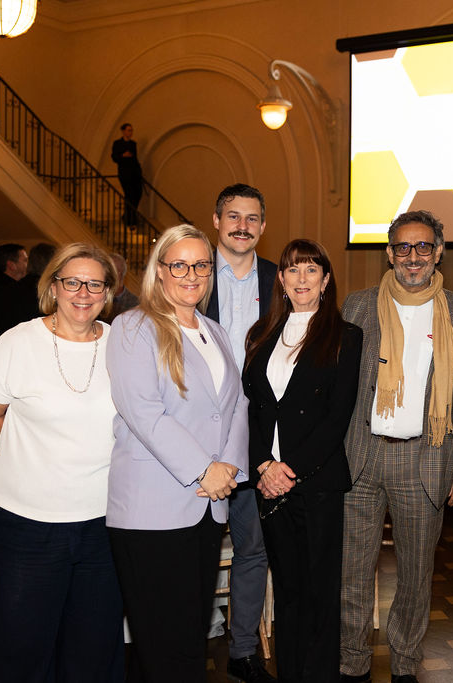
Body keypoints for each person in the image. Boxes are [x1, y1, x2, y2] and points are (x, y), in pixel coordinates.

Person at [0, 243, 123, 682]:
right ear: (53, 287)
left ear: (107, 292)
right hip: (26, 524)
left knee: (94, 645)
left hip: (104, 524)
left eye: (95, 284)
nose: (83, 293)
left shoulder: (122, 343)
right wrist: (31, 451)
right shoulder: (19, 343)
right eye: (72, 282)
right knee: (20, 647)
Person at [106, 224, 248, 681]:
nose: (192, 275)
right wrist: (205, 469)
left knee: (189, 637)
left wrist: (229, 467)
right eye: (180, 265)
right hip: (153, 508)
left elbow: (236, 404)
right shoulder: (133, 327)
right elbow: (143, 411)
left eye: (201, 265)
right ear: (160, 270)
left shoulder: (215, 331)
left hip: (207, 505)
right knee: (159, 641)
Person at [339, 210, 453, 683]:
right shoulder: (357, 306)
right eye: (403, 247)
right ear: (389, 252)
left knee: (416, 577)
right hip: (361, 455)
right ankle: (352, 664)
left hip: (426, 457)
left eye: (423, 247)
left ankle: (405, 666)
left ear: (439, 252)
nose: (412, 256)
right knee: (352, 573)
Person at [242, 239, 362, 683]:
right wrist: (263, 466)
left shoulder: (346, 336)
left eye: (312, 270)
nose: (302, 279)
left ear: (326, 280)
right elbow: (251, 409)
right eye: (293, 270)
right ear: (281, 279)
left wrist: (287, 471)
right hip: (268, 485)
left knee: (319, 594)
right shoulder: (260, 334)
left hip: (316, 483)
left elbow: (337, 417)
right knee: (288, 591)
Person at [202, 183, 277, 683]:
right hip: (196, 438)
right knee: (195, 552)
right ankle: (182, 648)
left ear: (263, 226)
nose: (242, 226)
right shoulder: (191, 272)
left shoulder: (279, 280)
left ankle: (243, 650)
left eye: (252, 218)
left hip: (256, 435)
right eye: (233, 216)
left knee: (253, 550)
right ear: (216, 220)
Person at [111, 123, 143, 227]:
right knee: (129, 194)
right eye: (129, 130)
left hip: (134, 173)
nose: (131, 132)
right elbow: (114, 157)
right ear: (123, 131)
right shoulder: (117, 143)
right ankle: (130, 219)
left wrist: (139, 172)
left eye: (131, 130)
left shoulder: (133, 144)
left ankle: (128, 215)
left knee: (138, 193)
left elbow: (134, 158)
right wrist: (123, 156)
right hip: (124, 173)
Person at [102, 252, 139, 323]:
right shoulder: (97, 299)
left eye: (112, 271)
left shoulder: (135, 304)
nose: (108, 275)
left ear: (121, 274)